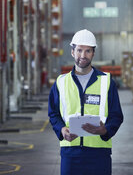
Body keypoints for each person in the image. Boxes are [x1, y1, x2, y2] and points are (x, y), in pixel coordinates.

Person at [48, 29, 123, 175]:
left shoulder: (106, 82)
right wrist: (62, 130)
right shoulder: (61, 83)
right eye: (79, 50)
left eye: (88, 51)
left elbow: (116, 115)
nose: (83, 55)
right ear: (72, 52)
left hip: (99, 153)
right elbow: (53, 114)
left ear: (93, 53)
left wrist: (105, 130)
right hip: (70, 153)